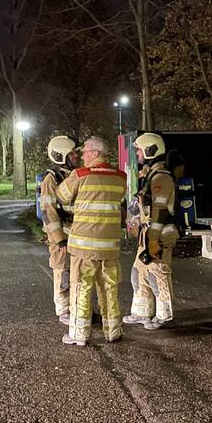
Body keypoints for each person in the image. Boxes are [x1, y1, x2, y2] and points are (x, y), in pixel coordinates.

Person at [55, 136, 127, 346]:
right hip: (110, 249)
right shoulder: (120, 177)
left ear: (95, 153)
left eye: (85, 152)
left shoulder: (80, 175)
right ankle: (113, 332)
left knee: (81, 289)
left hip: (84, 249)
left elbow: (62, 195)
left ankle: (79, 335)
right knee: (110, 290)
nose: (82, 156)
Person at [124, 133, 177, 330]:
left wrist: (153, 240)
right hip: (147, 236)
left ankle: (164, 315)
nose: (137, 153)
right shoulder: (150, 175)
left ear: (150, 150)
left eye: (139, 149)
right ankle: (141, 312)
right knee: (138, 273)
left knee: (158, 274)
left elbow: (160, 212)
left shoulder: (161, 178)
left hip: (159, 236)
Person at [39, 135, 79, 324]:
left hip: (75, 232)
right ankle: (64, 310)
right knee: (62, 270)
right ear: (61, 155)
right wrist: (59, 238)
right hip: (61, 234)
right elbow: (48, 212)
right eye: (71, 153)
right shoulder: (51, 179)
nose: (75, 156)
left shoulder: (72, 175)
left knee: (78, 273)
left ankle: (78, 308)